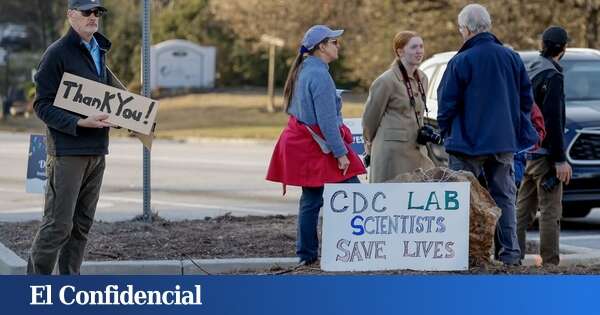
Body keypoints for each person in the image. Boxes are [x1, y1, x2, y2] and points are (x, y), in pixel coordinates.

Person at [436, 3, 538, 266]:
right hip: (503, 142)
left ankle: (466, 254)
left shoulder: (461, 60)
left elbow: (447, 103)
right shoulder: (511, 58)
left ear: (467, 30)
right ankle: (510, 253)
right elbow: (527, 100)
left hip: (467, 143)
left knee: (462, 199)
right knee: (504, 197)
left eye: (461, 29)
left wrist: (444, 129)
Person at [28, 0, 116, 275]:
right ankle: (32, 290)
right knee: (58, 225)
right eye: (86, 12)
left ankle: (70, 287)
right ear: (70, 15)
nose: (93, 17)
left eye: (97, 12)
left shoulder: (99, 50)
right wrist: (78, 122)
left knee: (81, 226)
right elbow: (41, 104)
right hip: (67, 152)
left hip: (97, 151)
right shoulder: (57, 53)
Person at [266, 25, 366, 265]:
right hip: (317, 146)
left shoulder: (305, 69)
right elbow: (327, 123)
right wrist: (341, 153)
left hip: (305, 143)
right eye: (334, 42)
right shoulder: (320, 75)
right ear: (322, 46)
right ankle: (355, 249)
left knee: (311, 200)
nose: (338, 45)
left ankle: (307, 255)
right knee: (354, 195)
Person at [517, 26, 572, 266]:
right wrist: (560, 159)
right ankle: (550, 263)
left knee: (522, 211)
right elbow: (553, 120)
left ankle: (511, 257)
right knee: (550, 212)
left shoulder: (533, 69)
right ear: (562, 48)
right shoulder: (553, 76)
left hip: (528, 151)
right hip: (546, 156)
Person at [362, 31, 434, 183]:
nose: (419, 51)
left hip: (416, 150)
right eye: (414, 47)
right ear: (400, 51)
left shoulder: (423, 78)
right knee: (392, 199)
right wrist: (368, 143)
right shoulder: (386, 81)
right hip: (392, 153)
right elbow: (370, 119)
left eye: (421, 46)